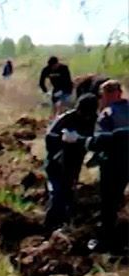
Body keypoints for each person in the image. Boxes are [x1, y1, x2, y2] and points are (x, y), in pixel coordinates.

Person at [45, 94, 99, 231]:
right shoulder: (67, 118)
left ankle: (66, 224)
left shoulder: (94, 120)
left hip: (75, 162)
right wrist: (63, 141)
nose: (85, 116)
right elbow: (50, 136)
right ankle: (49, 226)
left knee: (68, 191)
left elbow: (96, 141)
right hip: (57, 162)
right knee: (57, 193)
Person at [93, 80, 129, 250]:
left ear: (107, 94)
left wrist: (85, 143)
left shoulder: (107, 114)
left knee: (108, 203)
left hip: (112, 164)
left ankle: (106, 242)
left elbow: (101, 141)